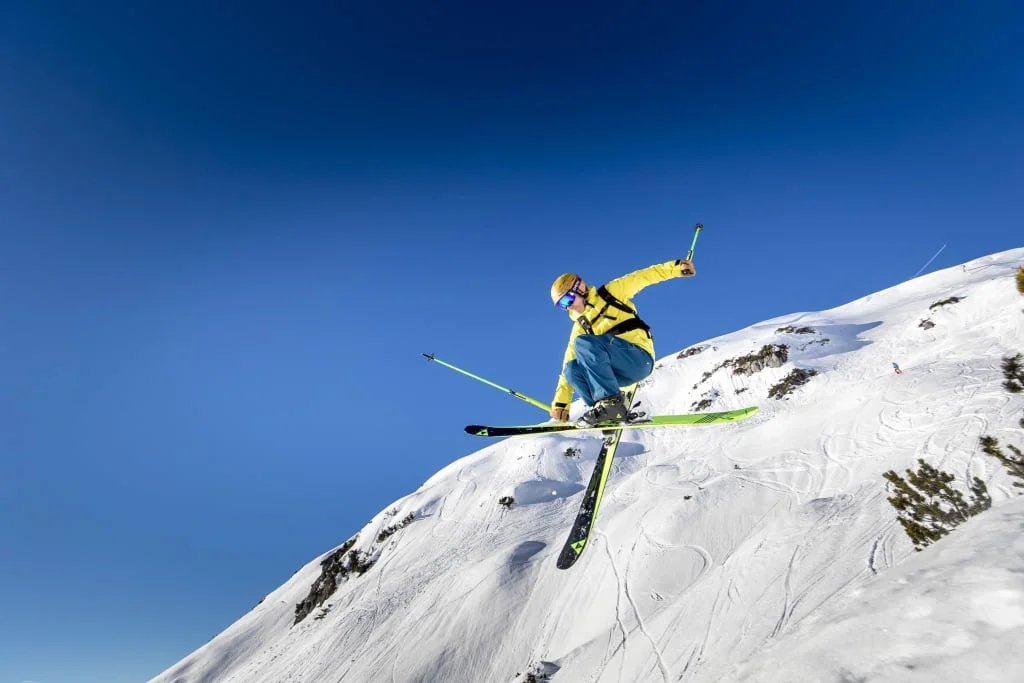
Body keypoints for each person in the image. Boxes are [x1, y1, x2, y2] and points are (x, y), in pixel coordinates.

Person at [549, 259, 696, 425]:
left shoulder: (611, 293)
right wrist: (561, 403)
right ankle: (604, 412)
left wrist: (675, 268)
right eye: (562, 305)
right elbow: (567, 365)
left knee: (584, 344)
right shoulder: (581, 326)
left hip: (638, 358)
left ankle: (612, 405)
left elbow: (643, 276)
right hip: (616, 374)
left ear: (579, 288)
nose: (568, 307)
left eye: (567, 299)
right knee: (572, 369)